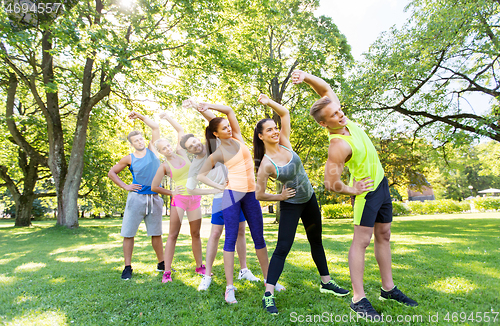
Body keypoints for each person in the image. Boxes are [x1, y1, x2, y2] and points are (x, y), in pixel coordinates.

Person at [293, 70, 418, 319]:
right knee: (361, 242)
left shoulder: (344, 120)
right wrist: (353, 189)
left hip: (381, 185)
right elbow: (330, 182)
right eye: (334, 116)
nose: (340, 116)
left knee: (384, 234)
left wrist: (306, 77)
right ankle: (358, 299)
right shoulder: (338, 145)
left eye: (339, 111)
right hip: (367, 194)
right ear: (323, 123)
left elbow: (326, 90)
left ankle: (388, 289)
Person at [254, 94, 349, 315]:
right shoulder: (266, 165)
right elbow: (259, 194)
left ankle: (326, 283)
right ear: (261, 136)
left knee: (316, 241)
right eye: (269, 130)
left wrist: (268, 102)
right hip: (291, 204)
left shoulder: (285, 143)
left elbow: (284, 113)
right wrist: (280, 197)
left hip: (310, 199)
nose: (275, 131)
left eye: (275, 128)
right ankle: (268, 294)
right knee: (282, 248)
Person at [164, 99, 261, 291]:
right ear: (189, 152)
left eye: (195, 142)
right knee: (215, 234)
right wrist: (215, 189)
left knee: (241, 232)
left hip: (238, 195)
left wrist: (200, 108)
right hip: (220, 200)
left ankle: (244, 270)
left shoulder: (215, 146)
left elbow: (217, 123)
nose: (196, 146)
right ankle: (206, 275)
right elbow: (192, 189)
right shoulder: (196, 166)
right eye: (191, 147)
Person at [196, 102, 282, 304]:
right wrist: (218, 187)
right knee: (230, 239)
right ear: (216, 134)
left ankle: (270, 281)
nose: (229, 128)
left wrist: (207, 105)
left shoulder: (239, 139)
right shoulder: (217, 153)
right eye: (224, 128)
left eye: (229, 126)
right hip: (232, 195)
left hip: (251, 195)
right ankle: (229, 288)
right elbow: (201, 174)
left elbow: (229, 110)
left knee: (258, 237)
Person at [108, 111, 164, 280]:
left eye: (141, 139)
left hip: (154, 198)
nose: (139, 142)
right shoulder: (129, 158)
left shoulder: (153, 149)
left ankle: (162, 264)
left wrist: (139, 116)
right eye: (136, 141)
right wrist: (125, 186)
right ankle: (127, 267)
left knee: (156, 233)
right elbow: (112, 173)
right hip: (136, 199)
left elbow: (155, 126)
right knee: (129, 233)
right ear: (132, 144)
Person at [150, 111, 206, 283]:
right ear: (160, 152)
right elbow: (154, 187)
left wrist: (167, 117)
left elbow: (180, 129)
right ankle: (167, 272)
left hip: (194, 198)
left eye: (167, 146)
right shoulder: (164, 167)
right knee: (173, 235)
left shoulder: (181, 152)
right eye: (163, 149)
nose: (167, 149)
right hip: (179, 200)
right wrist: (172, 192)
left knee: (195, 233)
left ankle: (200, 266)